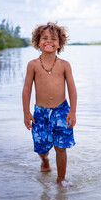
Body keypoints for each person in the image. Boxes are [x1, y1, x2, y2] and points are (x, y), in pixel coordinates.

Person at [22, 22, 77, 187]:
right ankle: (45, 162)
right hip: (40, 113)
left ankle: (61, 180)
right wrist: (26, 112)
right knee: (42, 148)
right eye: (45, 38)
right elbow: (26, 89)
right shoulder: (33, 65)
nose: (49, 41)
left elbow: (72, 89)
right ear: (38, 41)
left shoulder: (64, 65)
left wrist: (72, 111)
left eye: (54, 39)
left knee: (61, 148)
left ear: (59, 43)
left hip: (62, 111)